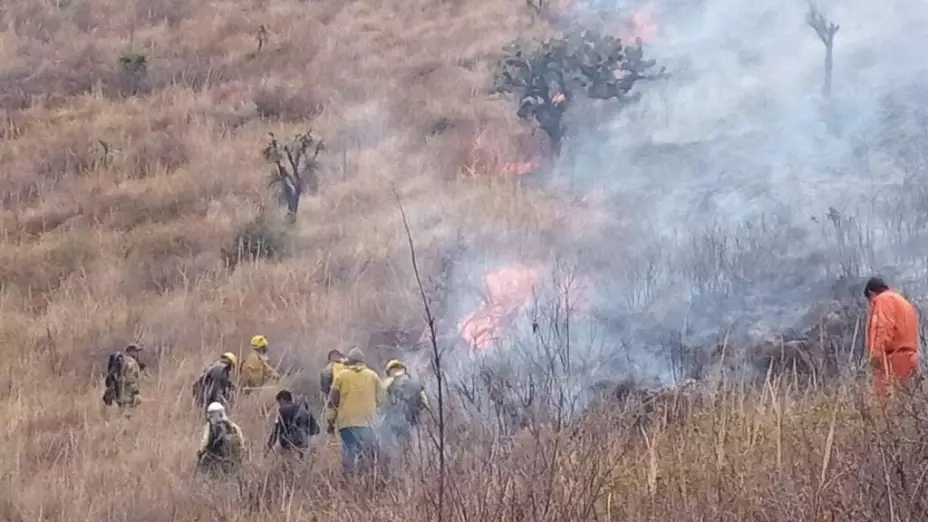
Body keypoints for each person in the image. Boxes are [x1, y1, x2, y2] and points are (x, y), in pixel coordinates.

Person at [326, 348, 385, 474]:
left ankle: (347, 480)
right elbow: (382, 399)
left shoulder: (341, 376)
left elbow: (332, 403)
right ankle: (365, 481)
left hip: (347, 423)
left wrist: (330, 422)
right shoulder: (373, 376)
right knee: (365, 453)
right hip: (368, 423)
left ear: (349, 361)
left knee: (349, 450)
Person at [865, 277, 920, 397]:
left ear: (871, 293)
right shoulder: (903, 302)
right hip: (910, 356)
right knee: (907, 401)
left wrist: (876, 356)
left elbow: (883, 327)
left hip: (893, 359)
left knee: (885, 403)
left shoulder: (883, 300)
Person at [381, 359, 429, 465]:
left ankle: (391, 467)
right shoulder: (415, 383)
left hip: (391, 422)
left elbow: (381, 401)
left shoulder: (387, 383)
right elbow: (425, 403)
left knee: (388, 448)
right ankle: (408, 466)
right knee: (407, 447)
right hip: (410, 421)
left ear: (390, 371)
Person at [197, 402, 246, 476]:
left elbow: (205, 442)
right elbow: (241, 442)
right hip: (232, 459)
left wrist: (200, 452)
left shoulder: (209, 426)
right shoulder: (233, 426)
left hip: (216, 458)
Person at [266, 390, 319, 458]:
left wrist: (269, 446)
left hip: (288, 446)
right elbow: (316, 430)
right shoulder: (302, 410)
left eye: (279, 403)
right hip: (303, 445)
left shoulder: (282, 411)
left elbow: (275, 431)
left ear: (282, 400)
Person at [102, 344, 145, 412]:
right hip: (128, 394)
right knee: (128, 413)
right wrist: (136, 392)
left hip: (121, 393)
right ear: (130, 352)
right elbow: (130, 378)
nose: (137, 353)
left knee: (122, 411)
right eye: (135, 351)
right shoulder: (131, 362)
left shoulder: (124, 361)